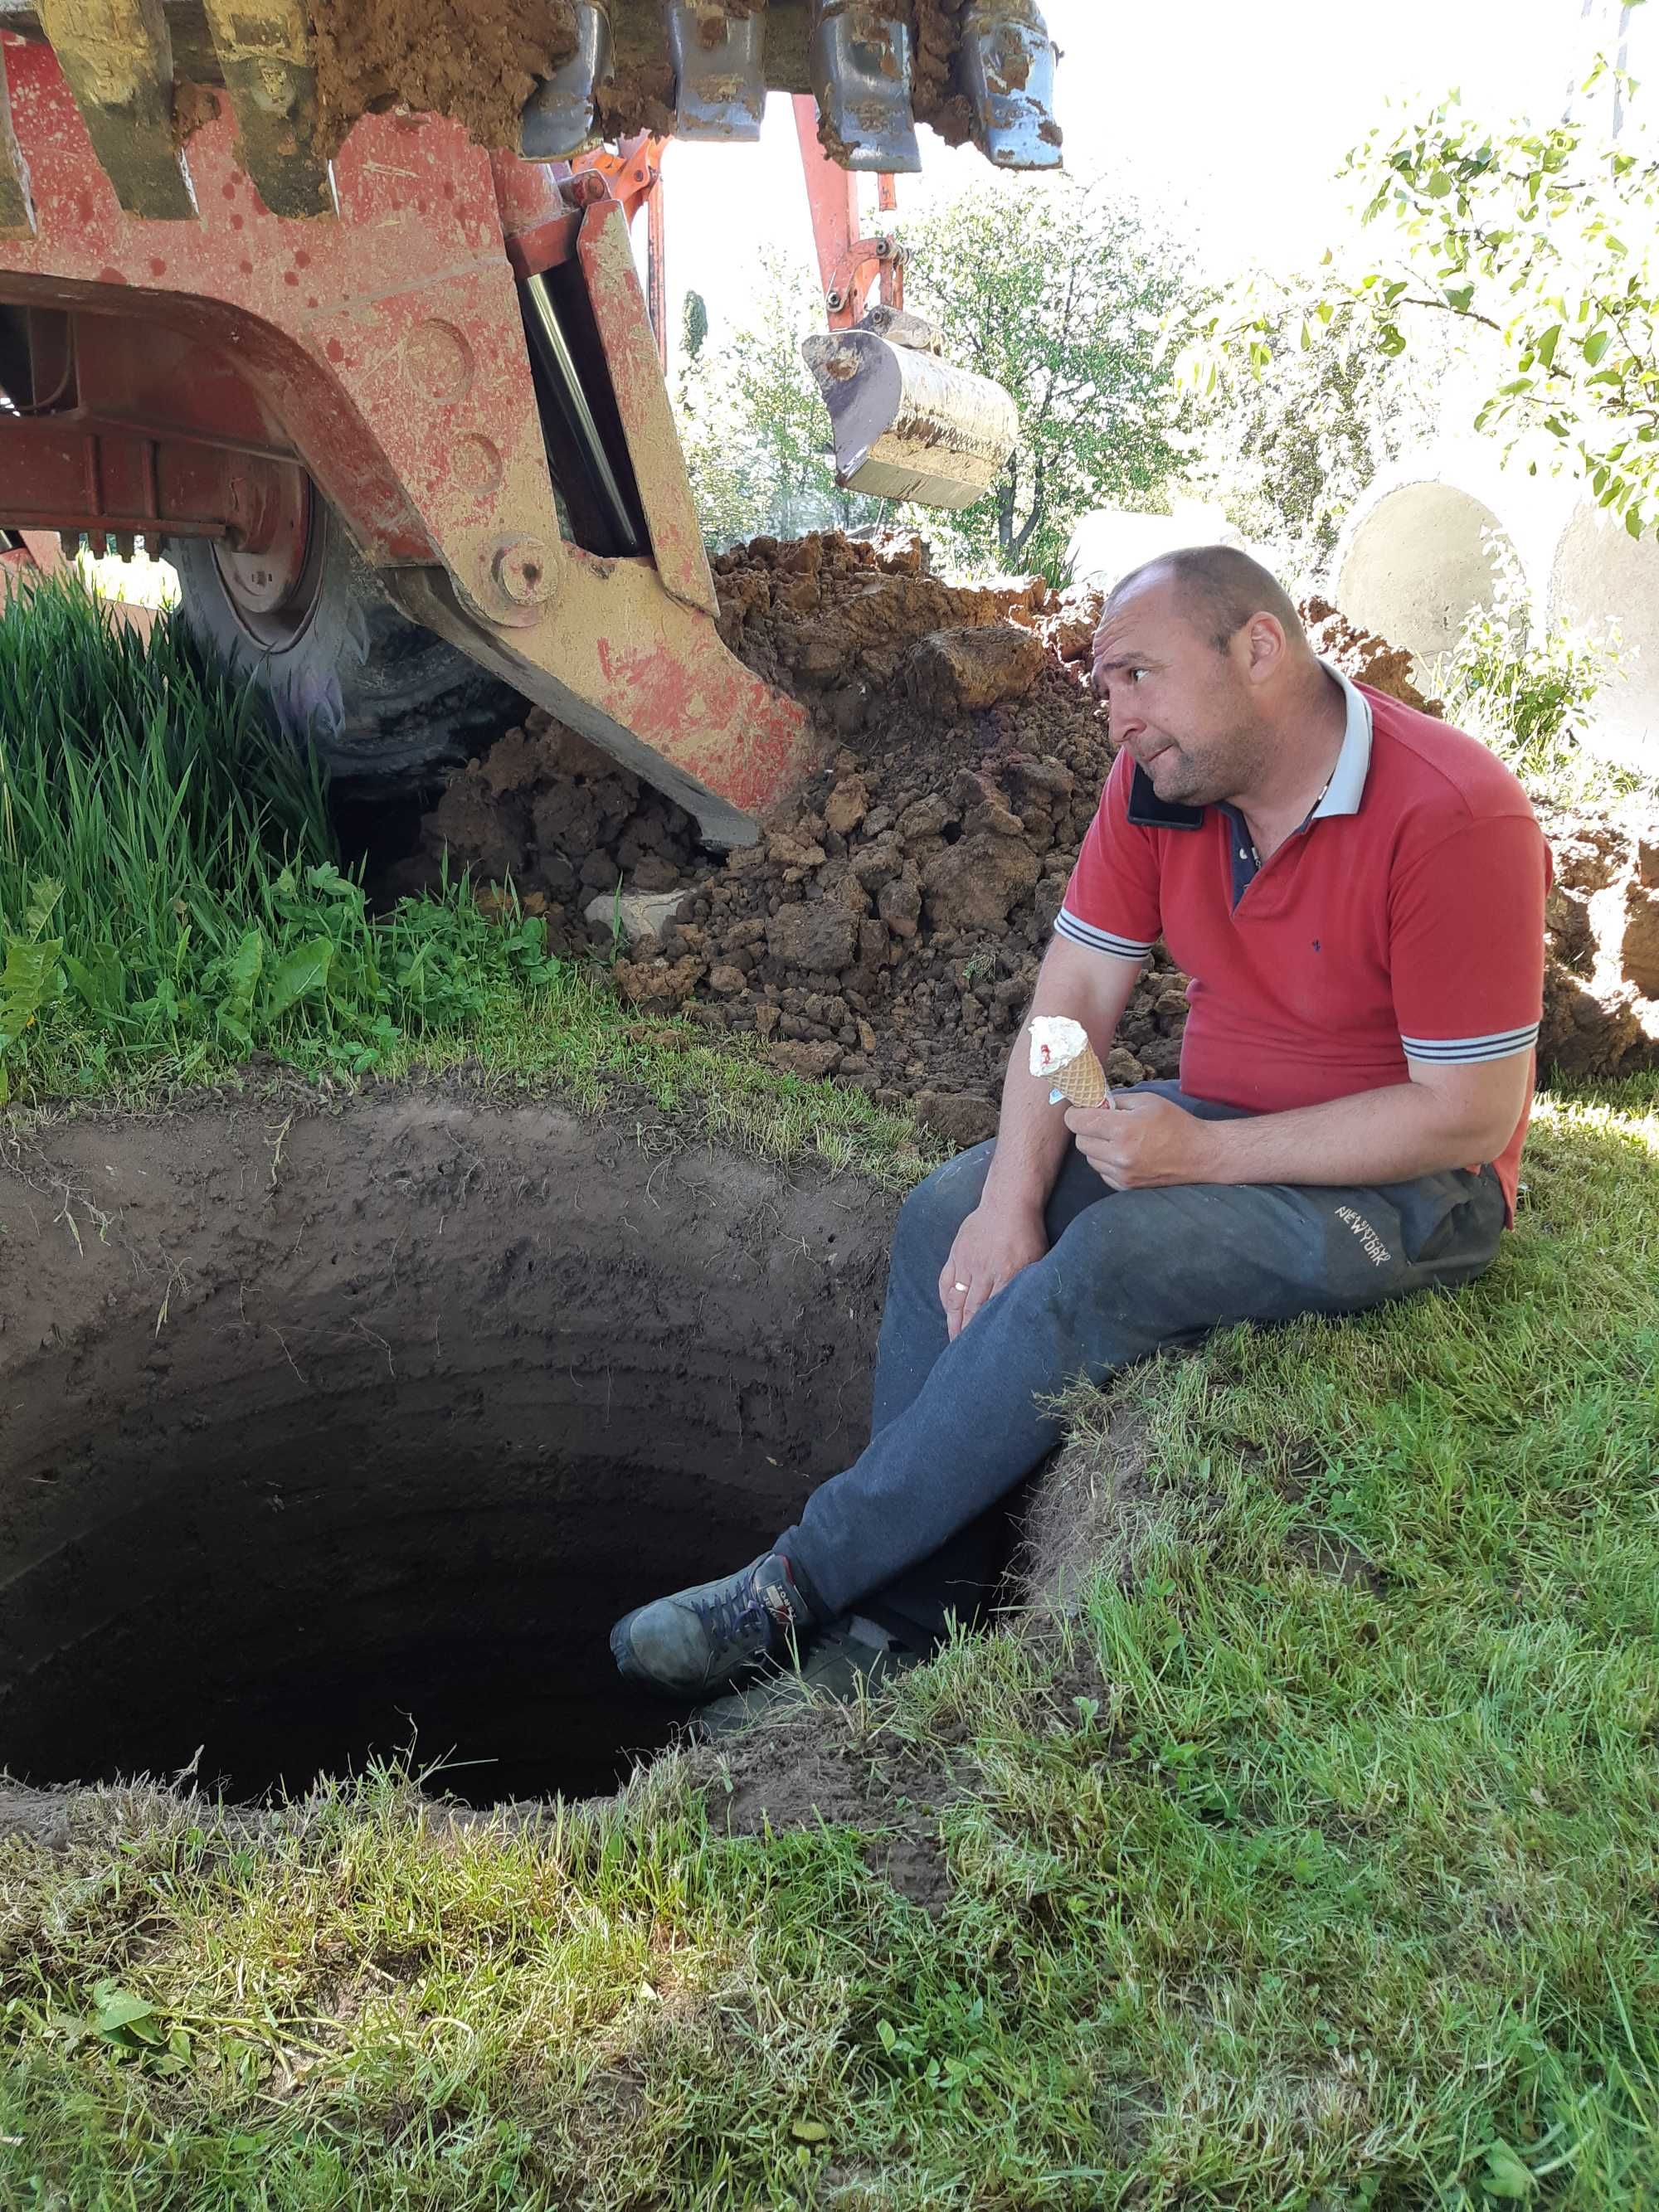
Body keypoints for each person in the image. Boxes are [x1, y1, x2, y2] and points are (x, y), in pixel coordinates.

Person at [609, 545, 1551, 1714]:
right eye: (1106, 688)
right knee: (946, 1210)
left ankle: (796, 1584)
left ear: (1258, 650)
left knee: (1114, 1259)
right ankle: (905, 1625)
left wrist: (1201, 1157)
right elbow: (1069, 1011)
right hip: (1224, 1128)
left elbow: (1469, 1114)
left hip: (1409, 1190)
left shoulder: (1454, 811)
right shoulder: (1159, 787)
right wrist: (1010, 1203)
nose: (1117, 721)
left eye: (1139, 678)